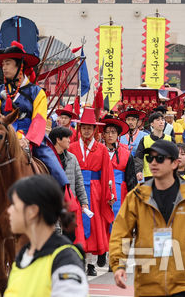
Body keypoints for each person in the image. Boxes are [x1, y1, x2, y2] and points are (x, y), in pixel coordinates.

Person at [109, 140, 185, 297]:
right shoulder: (137, 197)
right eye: (150, 158)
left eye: (160, 158)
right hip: (148, 286)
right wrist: (118, 265)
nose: (153, 163)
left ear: (175, 163)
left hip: (184, 286)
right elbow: (120, 234)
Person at [0, 41, 69, 237]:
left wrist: (28, 140)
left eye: (8, 63)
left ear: (19, 67)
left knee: (57, 172)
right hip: (0, 137)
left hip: (31, 137)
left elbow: (40, 119)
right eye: (3, 64)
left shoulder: (36, 92)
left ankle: (54, 216)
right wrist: (9, 136)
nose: (4, 67)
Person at [5, 174, 88, 297]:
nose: (9, 210)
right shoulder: (23, 255)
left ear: (33, 211)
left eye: (14, 205)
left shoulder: (65, 259)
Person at [68, 107, 115, 276]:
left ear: (95, 130)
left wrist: (110, 194)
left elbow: (108, 173)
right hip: (76, 190)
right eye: (84, 127)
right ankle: (78, 260)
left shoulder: (101, 149)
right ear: (79, 129)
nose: (87, 130)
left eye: (90, 127)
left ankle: (91, 264)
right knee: (77, 225)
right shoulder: (72, 147)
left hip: (95, 191)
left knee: (95, 226)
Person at [49, 126, 88, 248]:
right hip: (52, 204)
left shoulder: (72, 158)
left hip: (69, 203)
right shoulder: (47, 159)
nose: (70, 140)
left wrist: (84, 202)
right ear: (58, 140)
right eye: (67, 137)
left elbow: (79, 182)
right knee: (54, 234)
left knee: (70, 236)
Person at [101, 116, 137, 222]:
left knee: (119, 221)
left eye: (113, 132)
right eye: (107, 132)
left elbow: (131, 180)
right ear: (103, 134)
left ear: (118, 134)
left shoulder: (126, 154)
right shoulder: (98, 151)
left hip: (121, 190)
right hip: (101, 190)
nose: (110, 135)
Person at [135, 111, 172, 182]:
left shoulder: (170, 139)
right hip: (150, 175)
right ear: (152, 124)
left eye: (162, 120)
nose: (161, 122)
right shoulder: (145, 140)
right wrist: (138, 171)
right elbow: (139, 157)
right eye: (158, 120)